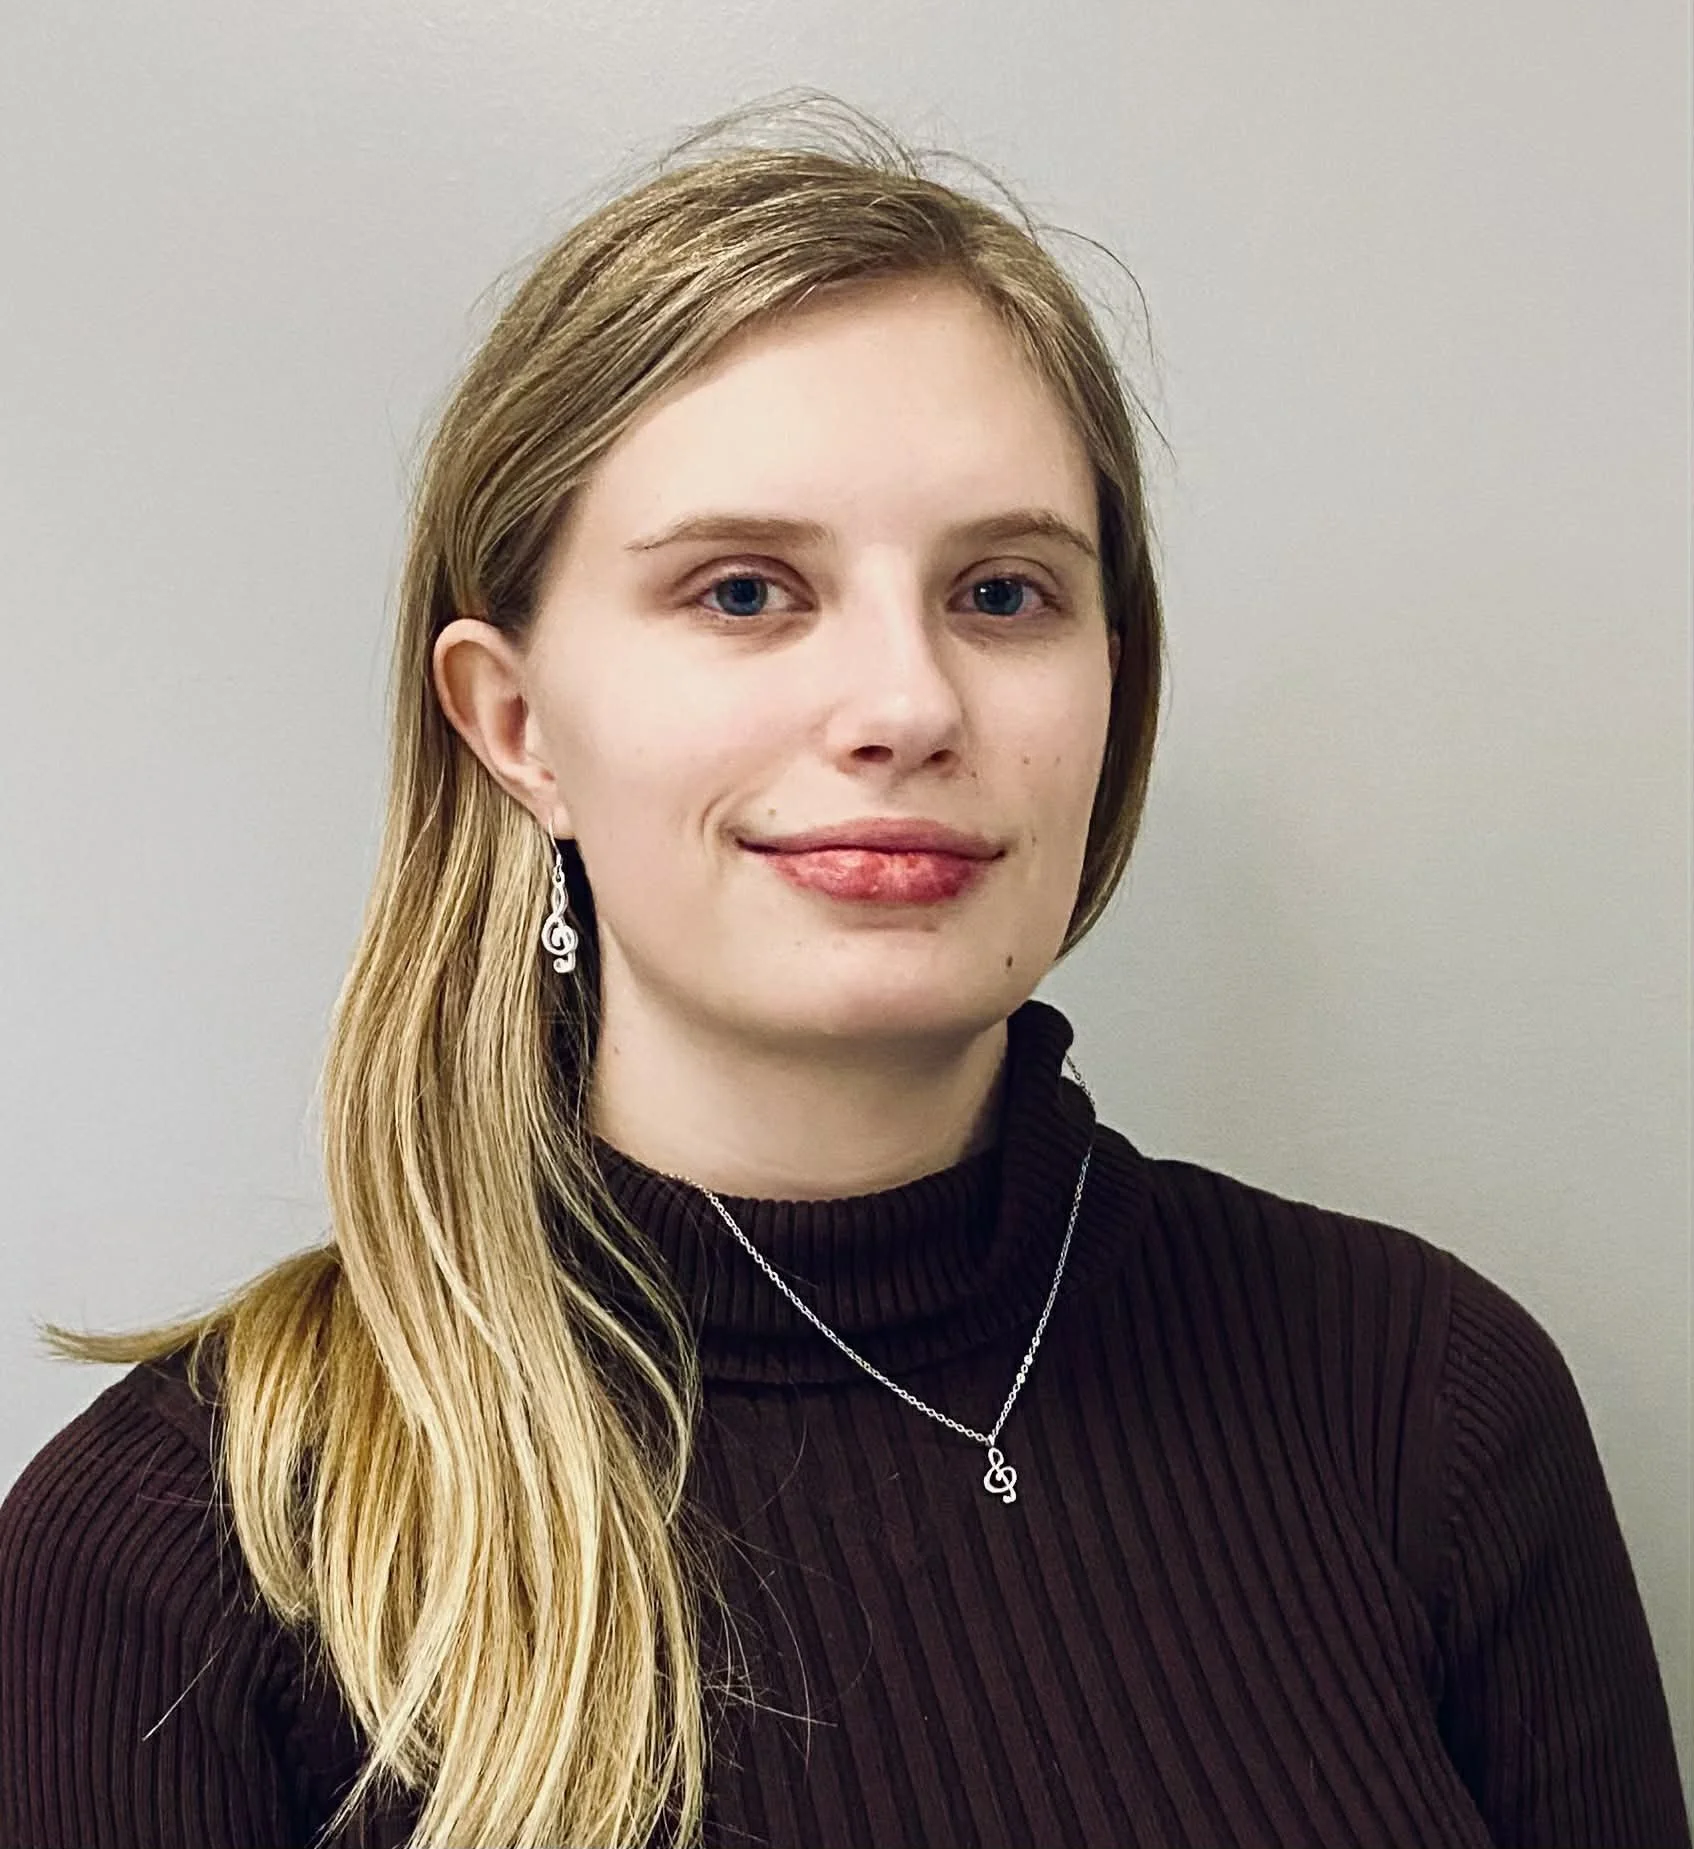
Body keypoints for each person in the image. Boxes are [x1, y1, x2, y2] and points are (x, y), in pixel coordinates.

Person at [0, 100, 1686, 1849]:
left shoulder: (1422, 1396)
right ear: (515, 726)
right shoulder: (186, 1553)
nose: (906, 705)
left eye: (1003, 594)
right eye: (743, 592)